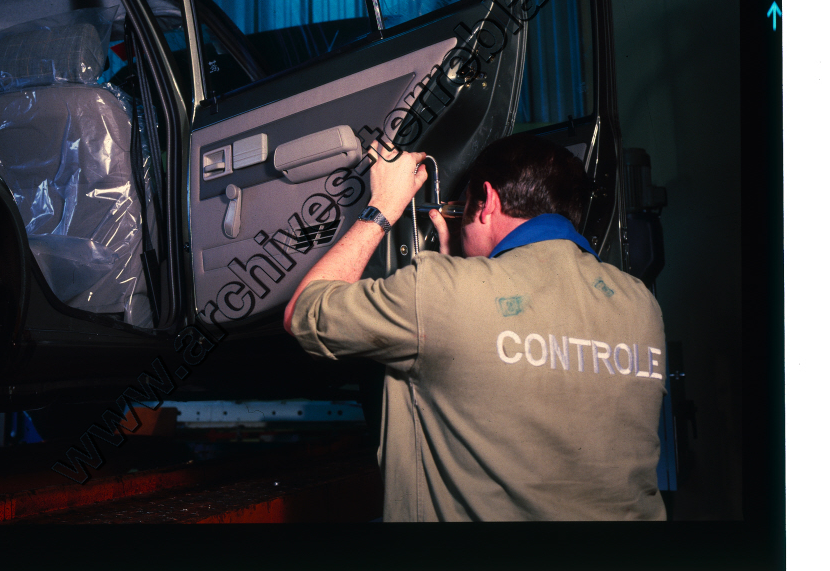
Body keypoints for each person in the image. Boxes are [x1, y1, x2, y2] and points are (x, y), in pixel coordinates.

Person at [283, 134, 666, 521]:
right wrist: (464, 275)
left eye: (461, 207)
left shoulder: (439, 292)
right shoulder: (640, 304)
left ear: (488, 203)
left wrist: (383, 207)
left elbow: (305, 312)